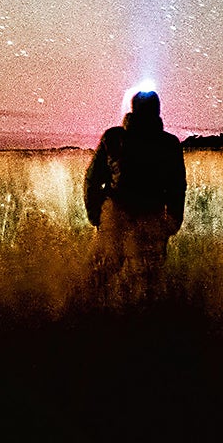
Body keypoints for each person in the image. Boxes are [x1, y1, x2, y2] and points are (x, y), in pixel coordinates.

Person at [85, 89, 186, 296]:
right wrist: (174, 220)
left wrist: (95, 214)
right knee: (148, 280)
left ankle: (93, 317)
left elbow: (92, 180)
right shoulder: (169, 143)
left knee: (102, 275)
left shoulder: (113, 137)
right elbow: (177, 187)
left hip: (115, 215)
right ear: (157, 111)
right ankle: (142, 320)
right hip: (150, 216)